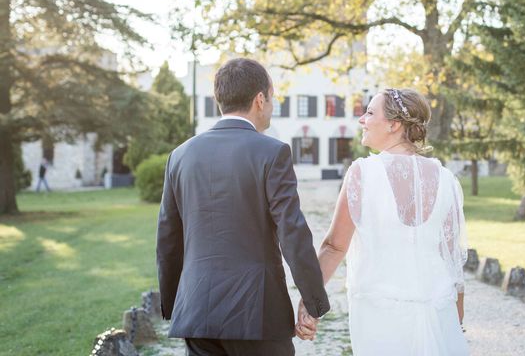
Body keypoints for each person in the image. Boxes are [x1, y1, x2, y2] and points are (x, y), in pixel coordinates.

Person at [156, 58, 329, 356]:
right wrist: (313, 302)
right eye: (273, 98)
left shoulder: (180, 155)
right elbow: (293, 233)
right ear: (260, 99)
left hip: (197, 312)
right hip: (259, 313)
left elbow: (168, 238)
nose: (272, 106)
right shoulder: (272, 152)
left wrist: (175, 303)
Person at [297, 88, 469, 355]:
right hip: (438, 312)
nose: (361, 120)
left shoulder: (362, 173)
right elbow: (452, 260)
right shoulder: (446, 178)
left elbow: (334, 247)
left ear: (394, 124)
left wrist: (310, 301)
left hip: (381, 315)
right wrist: (456, 322)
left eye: (369, 112)